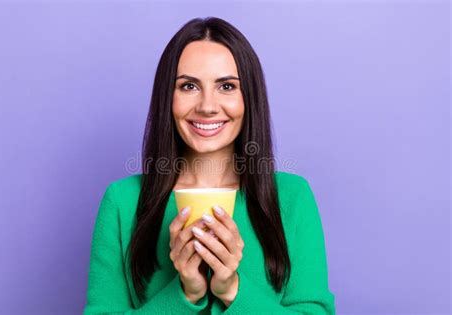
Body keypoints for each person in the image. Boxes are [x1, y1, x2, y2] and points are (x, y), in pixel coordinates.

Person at [83, 16, 336, 314]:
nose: (207, 106)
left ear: (249, 98)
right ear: (168, 98)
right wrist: (184, 295)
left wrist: (232, 289)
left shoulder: (292, 197)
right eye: (189, 86)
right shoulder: (123, 202)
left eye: (226, 86)